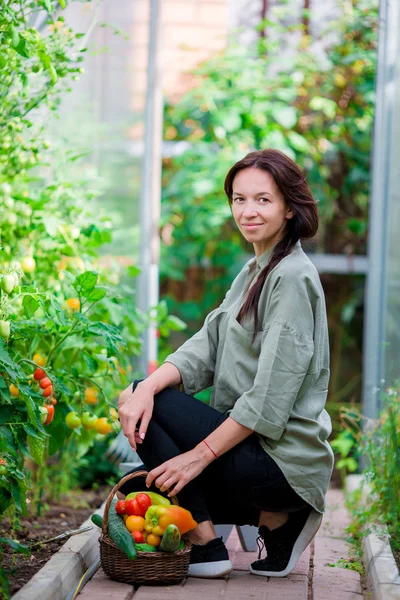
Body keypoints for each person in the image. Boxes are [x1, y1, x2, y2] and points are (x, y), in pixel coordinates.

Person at [117, 149, 334, 579]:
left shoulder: (291, 278)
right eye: (239, 199)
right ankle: (271, 523)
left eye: (263, 200)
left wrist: (197, 457)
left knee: (154, 416)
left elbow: (269, 399)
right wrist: (142, 389)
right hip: (254, 453)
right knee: (141, 399)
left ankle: (207, 539)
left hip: (282, 462)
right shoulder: (255, 269)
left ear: (290, 208)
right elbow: (206, 346)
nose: (248, 211)